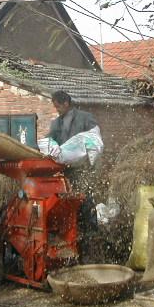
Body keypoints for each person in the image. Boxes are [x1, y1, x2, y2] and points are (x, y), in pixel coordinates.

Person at [47, 90, 100, 261]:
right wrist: (49, 145)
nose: (57, 110)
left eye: (58, 107)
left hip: (83, 169)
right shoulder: (56, 124)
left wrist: (88, 156)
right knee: (67, 206)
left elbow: (95, 139)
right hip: (66, 171)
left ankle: (91, 243)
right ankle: (70, 240)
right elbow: (50, 139)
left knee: (86, 202)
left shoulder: (85, 118)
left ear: (66, 103)